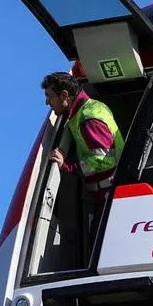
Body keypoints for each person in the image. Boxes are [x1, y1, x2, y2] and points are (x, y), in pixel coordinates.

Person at [40, 72, 125, 240]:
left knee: (99, 245)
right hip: (105, 194)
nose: (47, 102)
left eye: (50, 97)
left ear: (64, 95)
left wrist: (66, 167)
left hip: (109, 194)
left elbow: (103, 159)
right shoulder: (90, 108)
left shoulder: (88, 118)